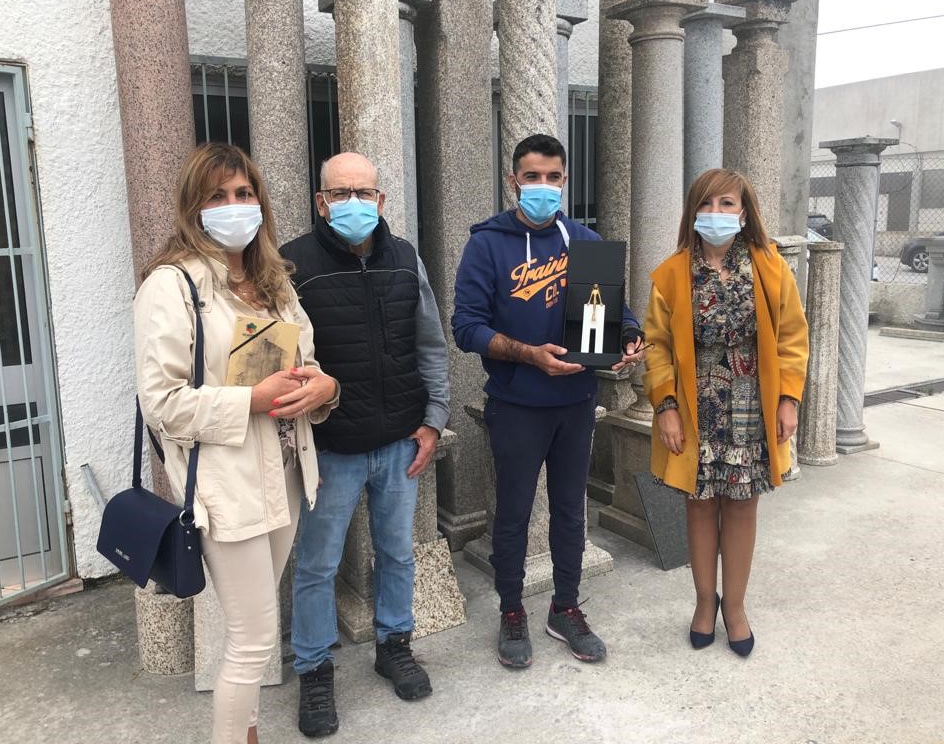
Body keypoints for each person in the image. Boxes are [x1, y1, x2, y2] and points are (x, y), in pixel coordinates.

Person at [134, 143, 339, 744]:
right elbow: (163, 403)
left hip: (287, 473)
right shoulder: (173, 286)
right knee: (253, 641)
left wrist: (325, 387)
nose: (234, 205)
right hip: (229, 486)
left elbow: (306, 363)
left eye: (244, 193)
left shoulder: (274, 283)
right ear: (192, 207)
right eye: (217, 196)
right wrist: (252, 399)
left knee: (255, 626)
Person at [452, 133, 645, 669]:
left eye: (553, 177)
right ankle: (511, 610)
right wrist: (528, 355)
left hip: (576, 402)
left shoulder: (585, 242)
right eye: (532, 177)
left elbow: (615, 312)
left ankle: (565, 607)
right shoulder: (487, 245)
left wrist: (628, 339)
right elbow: (465, 327)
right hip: (516, 405)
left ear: (565, 180)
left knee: (570, 512)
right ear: (513, 180)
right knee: (513, 515)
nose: (543, 186)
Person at [279, 152, 450, 738]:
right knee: (317, 565)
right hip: (330, 448)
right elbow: (282, 360)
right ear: (321, 202)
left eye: (364, 192)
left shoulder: (405, 258)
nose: (354, 203)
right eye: (340, 193)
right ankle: (314, 668)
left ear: (381, 200)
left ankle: (394, 644)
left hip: (401, 442)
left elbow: (431, 344)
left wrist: (434, 419)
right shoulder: (293, 266)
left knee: (398, 553)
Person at [642, 168, 809, 657]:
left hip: (750, 407)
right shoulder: (671, 274)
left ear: (744, 212)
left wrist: (789, 398)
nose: (715, 213)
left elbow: (793, 337)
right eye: (706, 203)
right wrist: (665, 406)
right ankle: (703, 602)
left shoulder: (770, 267)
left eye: (727, 204)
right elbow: (656, 346)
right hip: (696, 410)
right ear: (693, 211)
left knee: (741, 505)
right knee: (698, 505)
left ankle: (734, 607)